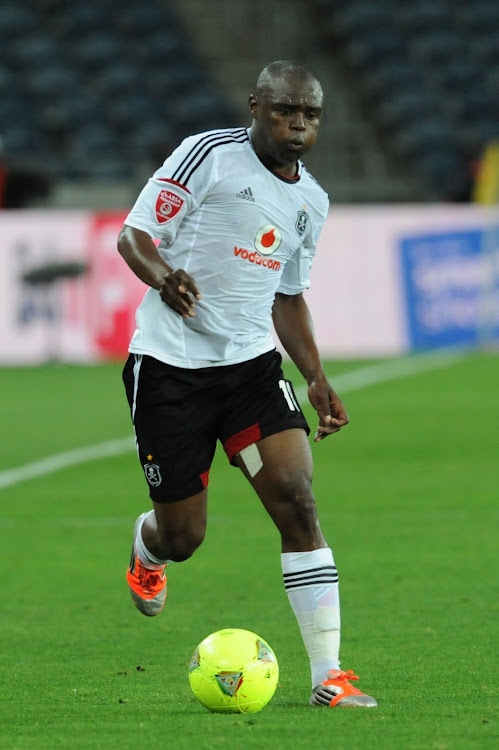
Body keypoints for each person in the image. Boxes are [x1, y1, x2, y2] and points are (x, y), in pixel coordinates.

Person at [117, 60, 377, 709]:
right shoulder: (206, 155)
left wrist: (315, 376)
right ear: (256, 106)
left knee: (297, 500)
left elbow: (287, 296)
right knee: (185, 539)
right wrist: (161, 276)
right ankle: (147, 549)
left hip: (251, 372)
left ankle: (328, 675)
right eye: (285, 110)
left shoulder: (309, 201)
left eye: (310, 114)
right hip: (170, 368)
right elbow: (135, 235)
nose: (297, 124)